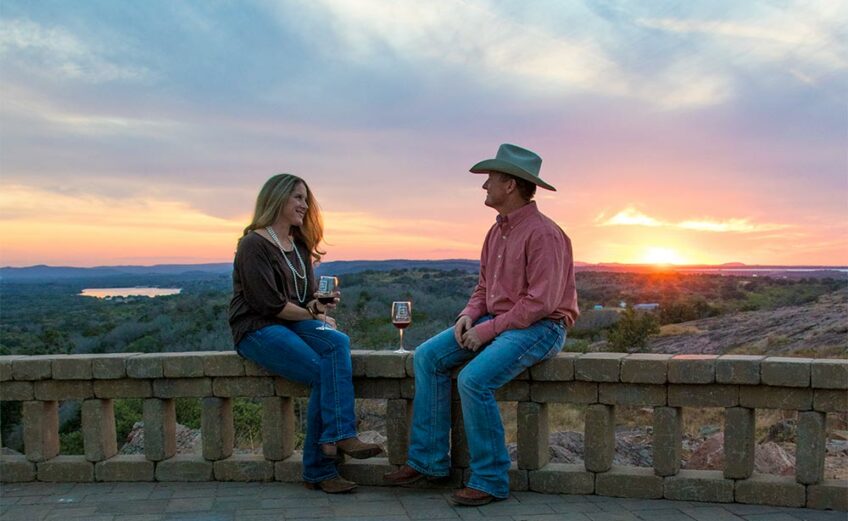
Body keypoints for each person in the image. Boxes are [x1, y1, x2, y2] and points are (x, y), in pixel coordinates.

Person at [383, 144, 579, 506]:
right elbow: (484, 288)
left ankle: (490, 479)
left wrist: (487, 330)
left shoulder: (545, 234)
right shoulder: (496, 232)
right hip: (497, 320)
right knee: (428, 356)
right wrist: (467, 316)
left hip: (542, 327)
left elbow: (541, 303)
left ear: (510, 185)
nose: (484, 185)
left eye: (490, 178)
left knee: (474, 380)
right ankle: (429, 462)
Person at [229, 173, 382, 494]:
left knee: (337, 341)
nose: (304, 205)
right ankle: (322, 465)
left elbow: (305, 297)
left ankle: (336, 437)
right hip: (257, 328)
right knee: (321, 371)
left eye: (306, 199)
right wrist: (314, 314)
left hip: (292, 322)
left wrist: (319, 306)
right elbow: (269, 305)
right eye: (297, 197)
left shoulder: (299, 244)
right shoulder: (253, 244)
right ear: (277, 199)